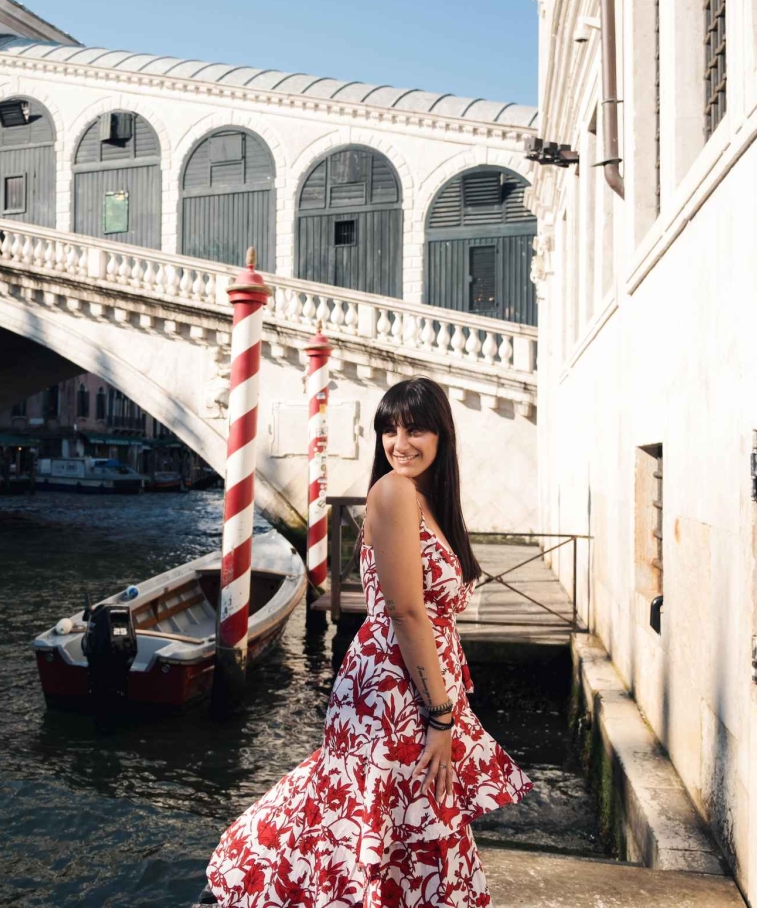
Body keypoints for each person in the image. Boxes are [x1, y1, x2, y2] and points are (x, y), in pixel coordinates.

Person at [205, 377, 531, 907]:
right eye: (388, 429)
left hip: (406, 683)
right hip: (394, 689)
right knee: (398, 809)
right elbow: (405, 612)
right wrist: (440, 716)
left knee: (392, 811)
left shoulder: (423, 498)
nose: (399, 443)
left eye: (415, 429)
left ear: (442, 436)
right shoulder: (394, 491)